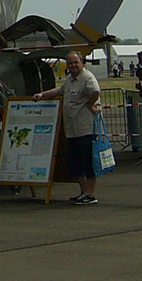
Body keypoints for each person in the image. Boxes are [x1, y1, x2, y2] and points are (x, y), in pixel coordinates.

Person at [34, 51, 102, 205]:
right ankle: (84, 191)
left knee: (87, 161)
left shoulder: (87, 77)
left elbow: (95, 92)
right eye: (70, 63)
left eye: (75, 62)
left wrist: (90, 104)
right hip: (71, 129)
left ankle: (91, 193)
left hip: (85, 128)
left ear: (82, 63)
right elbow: (59, 91)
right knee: (74, 161)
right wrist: (42, 95)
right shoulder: (70, 80)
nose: (73, 65)